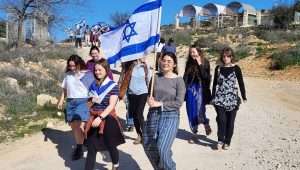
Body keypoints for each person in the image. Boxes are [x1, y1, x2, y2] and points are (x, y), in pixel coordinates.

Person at [143, 52, 186, 170]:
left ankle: (170, 167)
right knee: (148, 146)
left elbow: (178, 103)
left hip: (170, 117)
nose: (165, 63)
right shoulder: (155, 77)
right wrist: (149, 100)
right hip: (153, 115)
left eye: (169, 61)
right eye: (164, 60)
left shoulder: (179, 81)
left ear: (174, 65)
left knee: (162, 148)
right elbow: (149, 95)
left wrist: (159, 104)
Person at [84, 59, 125, 170]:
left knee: (111, 146)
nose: (97, 72)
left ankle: (115, 164)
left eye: (99, 70)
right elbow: (90, 102)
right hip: (93, 117)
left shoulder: (113, 86)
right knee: (91, 148)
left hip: (108, 119)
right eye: (95, 70)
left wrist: (101, 117)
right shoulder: (93, 85)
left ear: (106, 70)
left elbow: (111, 105)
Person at [212, 47, 247, 150]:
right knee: (221, 120)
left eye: (228, 56)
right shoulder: (218, 69)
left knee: (230, 122)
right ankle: (220, 140)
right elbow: (214, 84)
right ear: (222, 57)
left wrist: (244, 96)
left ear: (232, 57)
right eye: (224, 56)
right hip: (220, 99)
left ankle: (227, 141)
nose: (226, 58)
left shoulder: (236, 68)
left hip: (233, 99)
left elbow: (241, 83)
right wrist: (213, 96)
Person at [57, 54, 90, 160]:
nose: (72, 68)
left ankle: (83, 144)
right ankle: (80, 146)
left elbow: (94, 89)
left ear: (79, 64)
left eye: (74, 66)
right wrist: (61, 100)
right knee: (74, 126)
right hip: (70, 102)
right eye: (70, 66)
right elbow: (65, 89)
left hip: (82, 101)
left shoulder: (86, 74)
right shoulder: (68, 75)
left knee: (80, 124)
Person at [183, 45, 212, 143]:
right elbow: (185, 77)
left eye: (194, 52)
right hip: (190, 90)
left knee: (200, 110)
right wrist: (182, 89)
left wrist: (200, 64)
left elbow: (206, 77)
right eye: (191, 52)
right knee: (190, 111)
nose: (192, 54)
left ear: (199, 52)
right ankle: (194, 133)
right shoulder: (189, 63)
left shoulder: (205, 62)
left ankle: (205, 123)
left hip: (201, 90)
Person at [127, 58, 151, 144]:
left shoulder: (145, 66)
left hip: (143, 92)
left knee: (139, 113)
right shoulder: (129, 65)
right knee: (134, 115)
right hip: (131, 93)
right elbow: (125, 79)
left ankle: (145, 135)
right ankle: (139, 134)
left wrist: (150, 94)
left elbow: (149, 79)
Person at [118, 61, 136, 132]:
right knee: (129, 106)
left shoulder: (140, 65)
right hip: (126, 87)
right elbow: (122, 75)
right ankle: (130, 124)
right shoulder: (125, 63)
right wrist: (119, 86)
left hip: (136, 89)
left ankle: (132, 122)